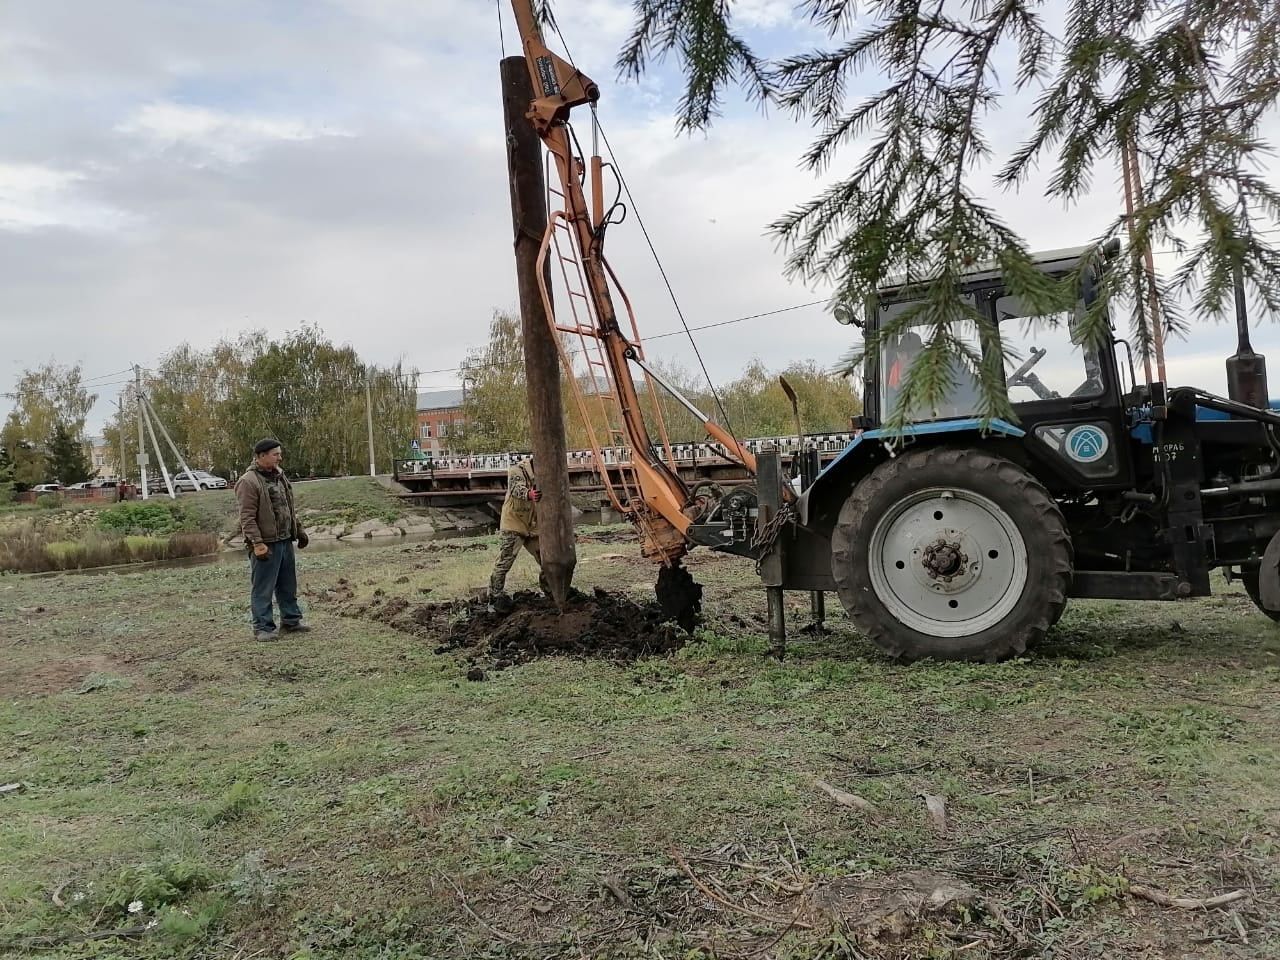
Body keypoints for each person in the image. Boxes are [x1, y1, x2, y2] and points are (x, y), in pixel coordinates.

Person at [236, 438, 309, 641]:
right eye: (275, 454)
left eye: (279, 453)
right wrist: (257, 543)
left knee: (288, 585)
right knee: (263, 588)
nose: (280, 457)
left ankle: (291, 621)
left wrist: (299, 530)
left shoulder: (280, 475)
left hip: (285, 540)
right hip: (265, 544)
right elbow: (247, 518)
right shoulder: (248, 481)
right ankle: (263, 628)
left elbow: (288, 508)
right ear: (261, 456)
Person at [488, 455, 550, 602]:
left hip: (532, 524)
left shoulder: (543, 475)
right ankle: (495, 596)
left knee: (547, 559)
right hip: (513, 523)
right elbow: (517, 488)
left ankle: (550, 590)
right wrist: (529, 494)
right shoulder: (517, 470)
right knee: (505, 560)